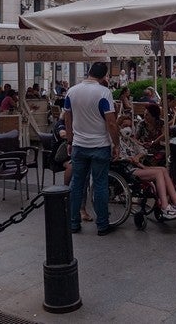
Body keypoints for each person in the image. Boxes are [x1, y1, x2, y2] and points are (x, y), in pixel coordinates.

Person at [64, 61, 120, 236]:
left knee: (76, 184)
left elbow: (68, 118)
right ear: (104, 76)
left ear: (89, 72)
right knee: (100, 185)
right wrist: (116, 144)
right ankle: (102, 225)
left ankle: (73, 223)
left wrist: (70, 141)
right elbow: (110, 122)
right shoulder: (104, 93)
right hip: (100, 146)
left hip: (79, 145)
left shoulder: (72, 91)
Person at [117, 115, 176, 219]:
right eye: (125, 126)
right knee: (158, 173)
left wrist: (137, 157)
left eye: (130, 126)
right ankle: (165, 206)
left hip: (138, 166)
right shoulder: (116, 142)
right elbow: (115, 157)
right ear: (119, 127)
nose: (128, 128)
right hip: (127, 169)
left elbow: (143, 150)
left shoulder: (130, 140)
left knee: (163, 170)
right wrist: (130, 159)